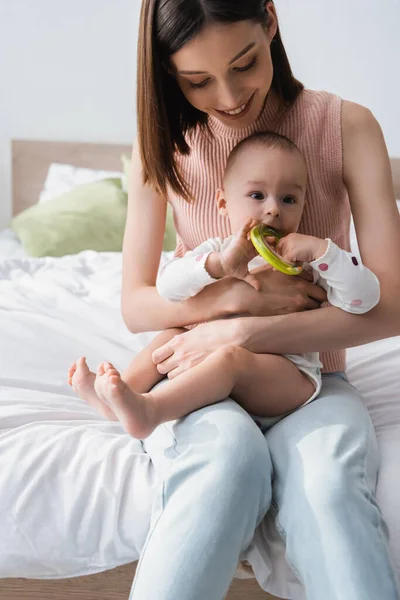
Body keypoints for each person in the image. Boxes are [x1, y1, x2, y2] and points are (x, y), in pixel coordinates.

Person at [73, 1, 400, 599]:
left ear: (270, 22)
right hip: (199, 373)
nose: (227, 97)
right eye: (197, 81)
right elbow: (139, 305)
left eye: (245, 64)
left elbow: (391, 306)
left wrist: (250, 335)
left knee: (329, 484)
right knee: (225, 465)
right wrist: (227, 308)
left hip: (313, 380)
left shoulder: (347, 126)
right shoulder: (165, 144)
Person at [69, 132, 381, 442]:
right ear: (223, 203)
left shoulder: (306, 262)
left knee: (230, 358)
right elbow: (168, 288)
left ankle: (151, 411)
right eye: (257, 196)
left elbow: (365, 299)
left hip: (287, 379)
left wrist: (323, 251)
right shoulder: (217, 250)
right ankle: (116, 399)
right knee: (172, 337)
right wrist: (219, 264)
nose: (273, 209)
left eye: (288, 199)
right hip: (209, 367)